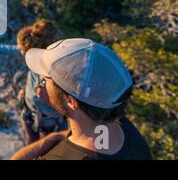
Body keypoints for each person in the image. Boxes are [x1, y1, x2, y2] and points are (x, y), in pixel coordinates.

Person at [11, 38, 152, 160]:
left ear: (71, 102)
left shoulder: (60, 157)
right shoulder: (129, 134)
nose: (42, 84)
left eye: (45, 79)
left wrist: (50, 139)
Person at [0, 20, 67, 145]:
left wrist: (48, 102)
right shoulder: (30, 53)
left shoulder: (55, 70)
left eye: (21, 49)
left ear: (30, 51)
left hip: (47, 119)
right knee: (31, 142)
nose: (19, 51)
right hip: (29, 110)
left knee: (45, 146)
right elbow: (2, 48)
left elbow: (65, 102)